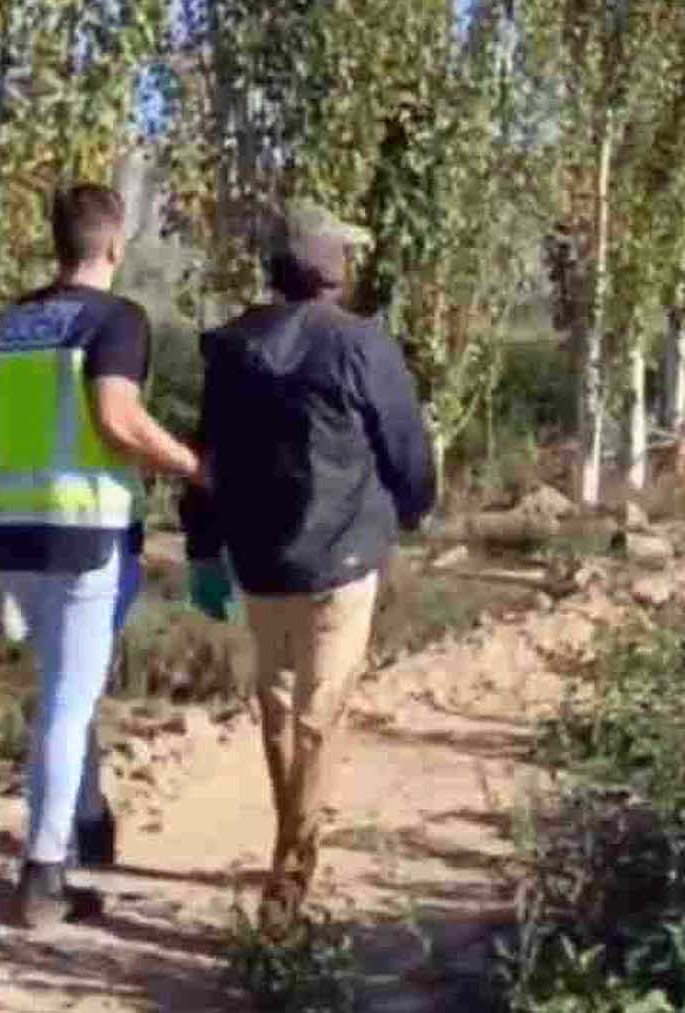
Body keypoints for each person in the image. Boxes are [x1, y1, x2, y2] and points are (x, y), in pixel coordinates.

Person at [182, 200, 434, 929]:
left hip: (260, 561)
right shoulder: (363, 346)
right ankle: (290, 878)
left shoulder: (230, 347)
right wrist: (415, 508)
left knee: (279, 707)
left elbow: (208, 456)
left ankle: (289, 846)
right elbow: (406, 449)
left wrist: (202, 543)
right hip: (343, 560)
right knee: (319, 714)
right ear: (331, 269)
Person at [0, 184, 205, 928]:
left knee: (61, 690)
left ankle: (91, 815)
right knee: (67, 703)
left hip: (8, 532)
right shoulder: (115, 319)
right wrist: (195, 466)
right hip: (82, 536)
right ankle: (44, 874)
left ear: (57, 240)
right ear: (113, 244)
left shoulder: (7, 324)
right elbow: (117, 417)